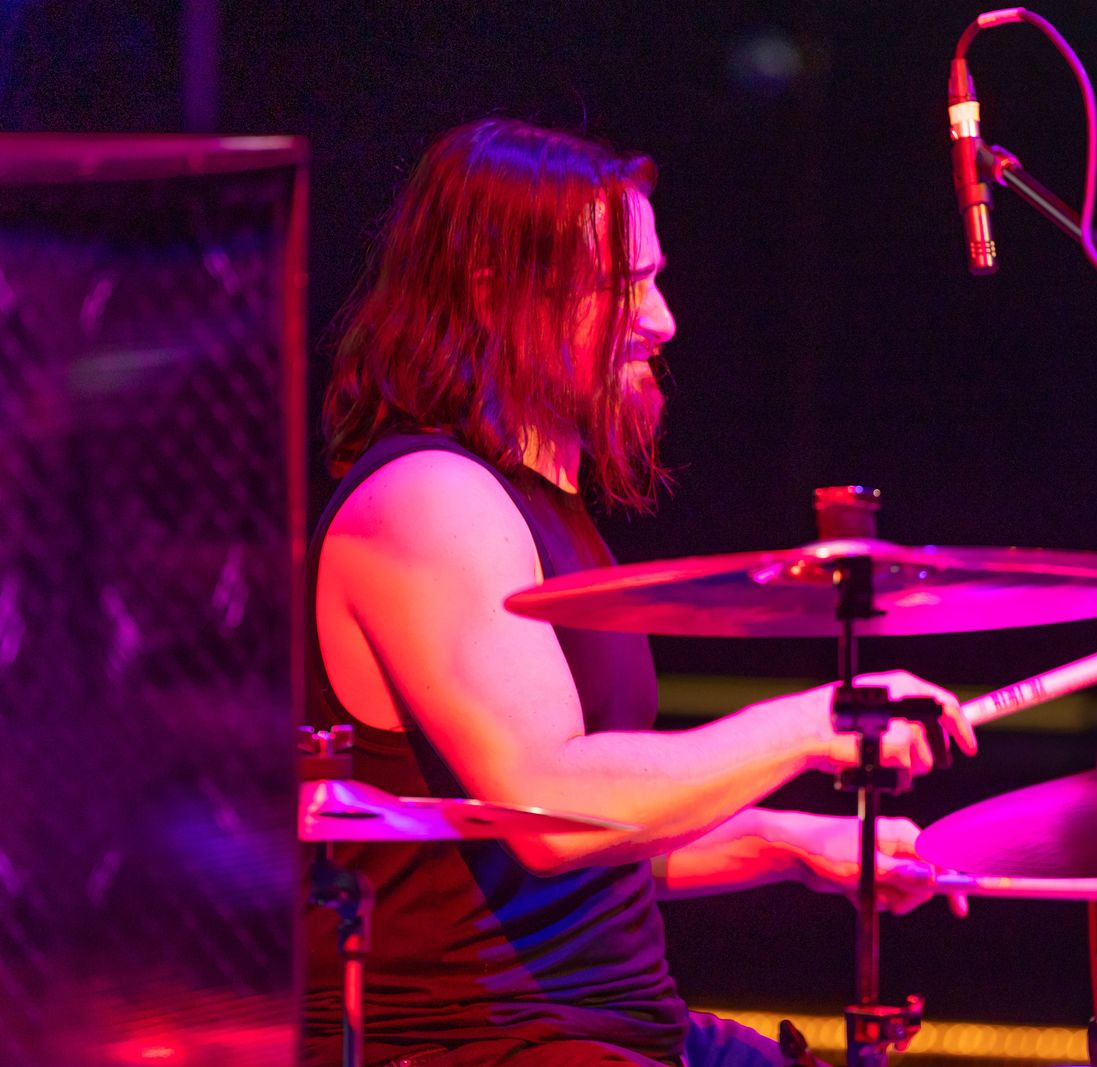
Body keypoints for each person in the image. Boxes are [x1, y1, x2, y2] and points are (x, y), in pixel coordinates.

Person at [303, 117, 976, 1067]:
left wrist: (787, 841)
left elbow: (600, 832)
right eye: (623, 287)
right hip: (479, 1044)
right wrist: (823, 720)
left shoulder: (536, 504)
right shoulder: (428, 499)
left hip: (615, 1030)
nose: (662, 320)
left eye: (654, 279)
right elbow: (547, 806)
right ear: (495, 297)